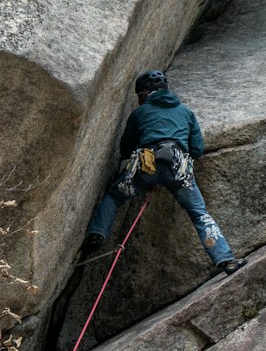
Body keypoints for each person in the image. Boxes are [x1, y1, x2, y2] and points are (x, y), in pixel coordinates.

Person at [82, 70, 241, 274]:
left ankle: (98, 232)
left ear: (143, 93)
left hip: (146, 166)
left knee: (114, 196)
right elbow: (197, 149)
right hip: (178, 169)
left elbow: (127, 147)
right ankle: (226, 259)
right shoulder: (186, 112)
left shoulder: (139, 113)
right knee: (199, 213)